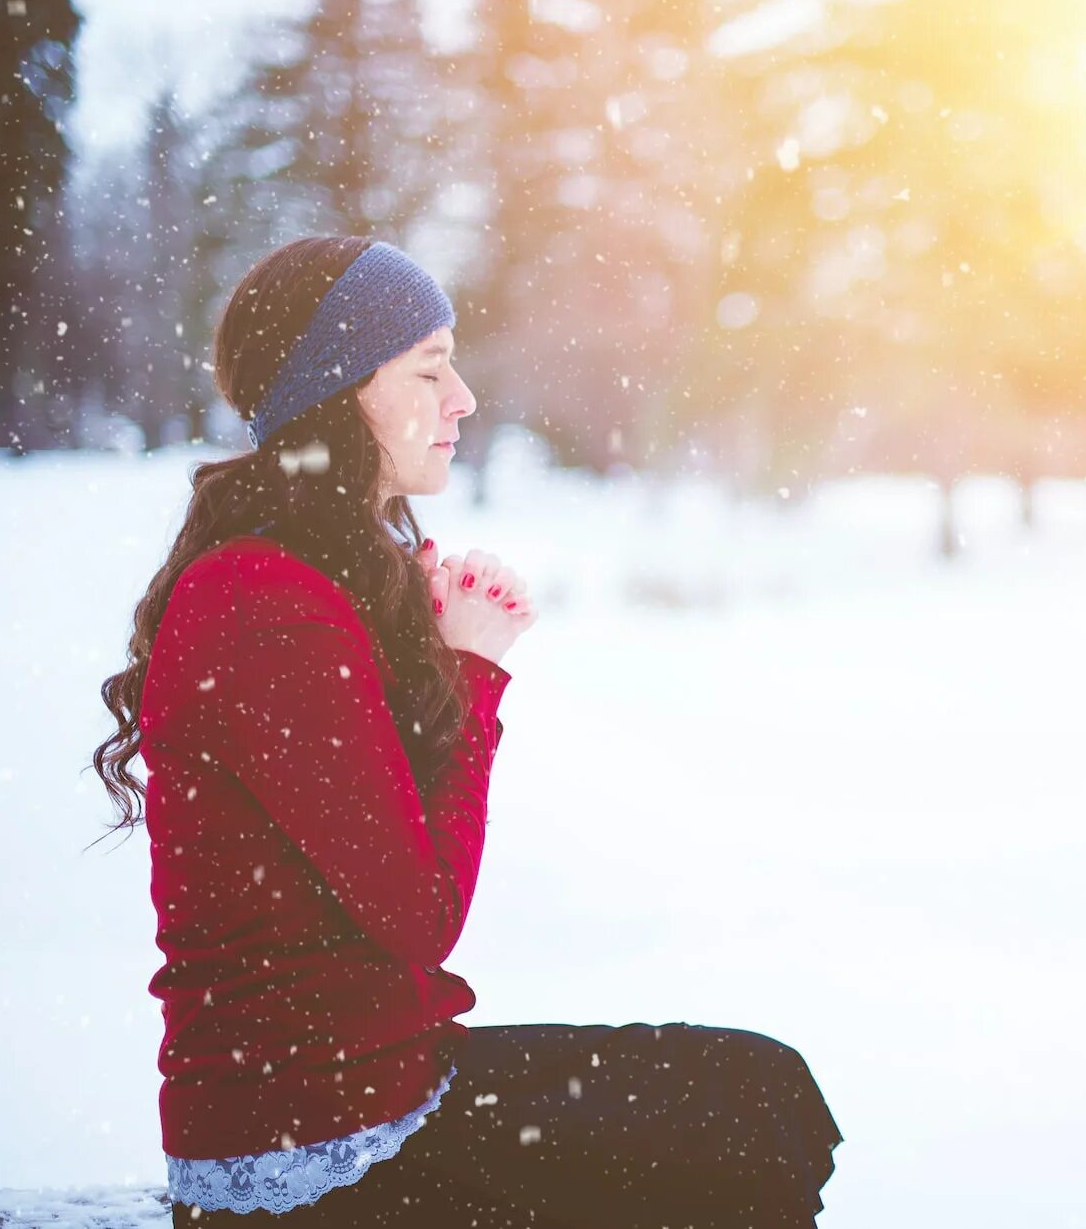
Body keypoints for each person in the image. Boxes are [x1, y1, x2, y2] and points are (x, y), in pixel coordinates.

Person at [88, 236, 844, 1226]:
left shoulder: (301, 582)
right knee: (740, 1130)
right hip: (317, 1155)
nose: (464, 399)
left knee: (766, 1094)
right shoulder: (261, 600)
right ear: (340, 388)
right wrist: (474, 672)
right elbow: (419, 911)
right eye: (430, 367)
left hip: (380, 1094)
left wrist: (440, 663)